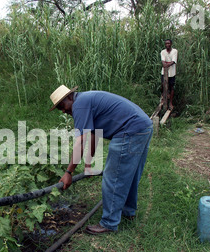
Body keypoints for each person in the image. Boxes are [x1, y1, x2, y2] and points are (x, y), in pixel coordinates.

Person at [49, 85, 153, 235]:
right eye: (60, 109)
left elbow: (81, 141)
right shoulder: (85, 100)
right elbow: (93, 134)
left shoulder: (79, 105)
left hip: (129, 131)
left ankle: (109, 223)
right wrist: (89, 164)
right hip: (143, 126)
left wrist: (68, 172)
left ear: (69, 98)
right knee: (130, 174)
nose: (64, 111)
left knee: (113, 177)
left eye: (62, 106)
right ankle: (128, 211)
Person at [160, 39, 178, 109]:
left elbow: (173, 61)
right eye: (166, 43)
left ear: (171, 44)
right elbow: (163, 62)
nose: (167, 45)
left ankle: (170, 102)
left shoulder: (174, 51)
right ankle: (163, 97)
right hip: (164, 72)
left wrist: (167, 63)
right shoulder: (163, 52)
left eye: (169, 43)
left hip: (172, 73)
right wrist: (167, 63)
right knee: (163, 85)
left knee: (171, 87)